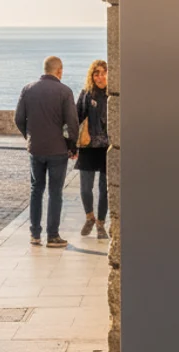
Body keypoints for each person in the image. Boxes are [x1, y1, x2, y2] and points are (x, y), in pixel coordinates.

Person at [15, 56, 79, 249]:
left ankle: (35, 234)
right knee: (55, 192)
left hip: (36, 149)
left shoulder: (28, 89)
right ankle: (52, 236)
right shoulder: (65, 91)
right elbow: (71, 123)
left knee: (36, 190)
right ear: (59, 71)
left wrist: (29, 136)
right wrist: (71, 146)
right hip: (57, 150)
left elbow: (19, 119)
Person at [76, 60, 110, 240]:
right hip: (88, 146)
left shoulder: (113, 94)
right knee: (85, 188)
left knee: (105, 189)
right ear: (92, 76)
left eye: (103, 73)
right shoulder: (86, 94)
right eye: (96, 74)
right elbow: (76, 118)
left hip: (108, 148)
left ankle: (101, 224)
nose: (100, 77)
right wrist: (71, 145)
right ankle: (90, 217)